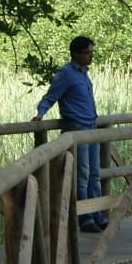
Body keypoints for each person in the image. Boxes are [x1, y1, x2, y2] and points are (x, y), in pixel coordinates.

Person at [36, 35, 106, 231]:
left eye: (92, 52)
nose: (90, 56)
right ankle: (85, 217)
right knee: (82, 174)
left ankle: (97, 213)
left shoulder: (84, 73)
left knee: (95, 173)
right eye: (87, 53)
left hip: (91, 127)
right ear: (75, 54)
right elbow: (51, 96)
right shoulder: (66, 73)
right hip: (76, 128)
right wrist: (40, 112)